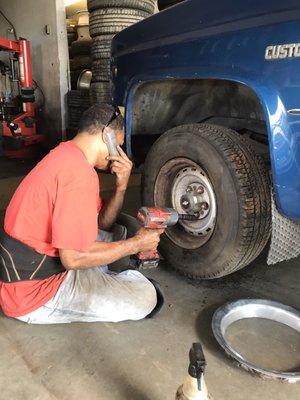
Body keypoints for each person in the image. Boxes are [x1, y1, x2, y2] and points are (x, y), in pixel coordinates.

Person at [0, 104, 164, 324]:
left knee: (113, 233)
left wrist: (121, 186)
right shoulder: (78, 175)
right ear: (108, 136)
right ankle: (115, 281)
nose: (119, 154)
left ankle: (104, 276)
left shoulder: (66, 154)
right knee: (146, 297)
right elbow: (73, 258)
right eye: (119, 145)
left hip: (32, 270)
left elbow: (101, 225)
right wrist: (137, 244)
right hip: (33, 294)